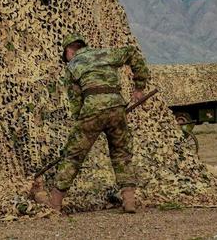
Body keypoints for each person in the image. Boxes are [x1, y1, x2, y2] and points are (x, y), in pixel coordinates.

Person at [34, 32, 150, 213]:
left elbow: (75, 101)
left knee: (73, 156)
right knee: (121, 154)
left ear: (70, 50)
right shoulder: (105, 54)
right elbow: (132, 53)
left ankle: (55, 203)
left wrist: (81, 124)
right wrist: (139, 87)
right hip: (116, 109)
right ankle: (129, 201)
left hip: (91, 112)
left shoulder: (73, 66)